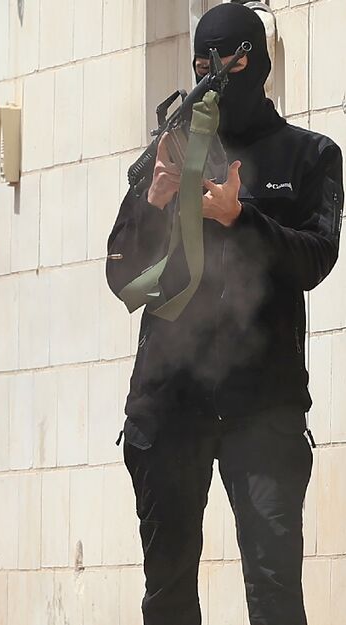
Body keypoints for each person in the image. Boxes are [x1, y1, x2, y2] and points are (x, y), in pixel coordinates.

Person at [105, 4, 342, 625]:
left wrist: (244, 218)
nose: (214, 77)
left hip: (263, 405)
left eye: (227, 63)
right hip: (169, 402)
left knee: (275, 597)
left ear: (257, 64)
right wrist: (155, 203)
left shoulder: (310, 156)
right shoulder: (173, 147)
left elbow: (315, 260)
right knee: (169, 597)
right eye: (201, 65)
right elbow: (121, 274)